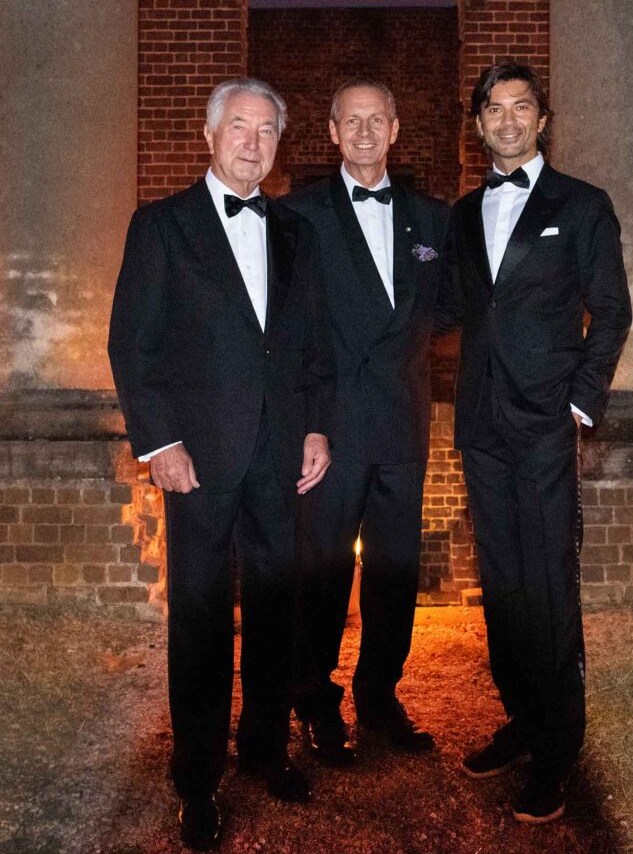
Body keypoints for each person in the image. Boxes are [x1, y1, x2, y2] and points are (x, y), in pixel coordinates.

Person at [108, 78, 333, 850]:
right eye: (239, 126)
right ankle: (197, 779)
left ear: (278, 143)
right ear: (209, 136)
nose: (252, 141)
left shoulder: (297, 233)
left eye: (267, 129)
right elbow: (132, 348)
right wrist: (159, 443)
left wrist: (315, 430)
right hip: (196, 463)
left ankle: (265, 749)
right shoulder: (161, 226)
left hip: (278, 459)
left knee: (277, 612)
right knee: (201, 622)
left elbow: (308, 350)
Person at [439, 61, 631, 824]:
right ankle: (522, 720)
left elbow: (609, 312)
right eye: (494, 109)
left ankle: (557, 752)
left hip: (547, 423)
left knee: (548, 589)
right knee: (504, 583)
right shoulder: (460, 215)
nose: (508, 121)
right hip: (481, 424)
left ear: (542, 120)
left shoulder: (581, 207)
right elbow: (451, 305)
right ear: (478, 123)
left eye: (522, 108)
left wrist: (580, 405)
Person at [283, 78, 450, 766]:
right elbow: (286, 332)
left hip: (402, 428)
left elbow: (451, 310)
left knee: (393, 572)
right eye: (348, 121)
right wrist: (304, 424)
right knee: (321, 572)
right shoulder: (295, 216)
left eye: (373, 120)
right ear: (329, 131)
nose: (361, 132)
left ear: (394, 128)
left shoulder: (434, 220)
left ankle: (378, 697)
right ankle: (315, 702)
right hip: (330, 428)